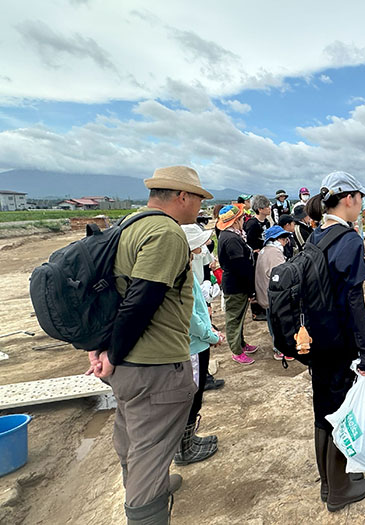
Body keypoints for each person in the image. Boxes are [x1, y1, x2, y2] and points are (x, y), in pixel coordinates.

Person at [86, 165, 211, 524]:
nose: (199, 206)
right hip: (153, 366)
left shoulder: (129, 225)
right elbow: (140, 301)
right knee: (149, 453)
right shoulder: (166, 234)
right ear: (182, 196)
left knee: (133, 442)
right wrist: (113, 353)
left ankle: (150, 485)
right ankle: (147, 506)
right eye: (198, 198)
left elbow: (111, 296)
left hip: (130, 367)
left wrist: (102, 347)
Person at [304, 171, 365, 512]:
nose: (361, 205)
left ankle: (327, 482)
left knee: (323, 409)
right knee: (341, 412)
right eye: (360, 199)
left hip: (317, 340)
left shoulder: (315, 235)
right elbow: (354, 300)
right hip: (340, 340)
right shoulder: (349, 241)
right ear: (349, 199)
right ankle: (339, 490)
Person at [175, 225, 223, 466]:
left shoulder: (185, 267)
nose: (203, 246)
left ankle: (189, 440)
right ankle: (184, 449)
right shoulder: (180, 273)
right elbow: (190, 316)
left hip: (198, 341)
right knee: (190, 396)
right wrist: (210, 335)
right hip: (193, 345)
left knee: (196, 394)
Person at [217, 204, 258, 365]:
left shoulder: (230, 235)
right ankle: (236, 350)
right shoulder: (232, 239)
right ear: (235, 221)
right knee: (234, 318)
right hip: (236, 285)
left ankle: (241, 343)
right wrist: (250, 289)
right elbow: (240, 266)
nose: (243, 221)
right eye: (241, 218)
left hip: (237, 283)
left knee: (239, 316)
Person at [254, 225, 295, 361]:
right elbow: (281, 276)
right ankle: (280, 349)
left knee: (272, 321)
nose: (285, 241)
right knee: (278, 323)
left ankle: (279, 346)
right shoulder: (274, 253)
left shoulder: (265, 251)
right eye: (283, 238)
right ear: (276, 239)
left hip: (264, 294)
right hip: (273, 297)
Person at [244, 194, 272, 321]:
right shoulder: (252, 223)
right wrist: (255, 250)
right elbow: (248, 242)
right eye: (266, 206)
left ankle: (263, 306)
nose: (269, 208)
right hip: (255, 257)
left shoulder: (266, 222)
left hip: (264, 254)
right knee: (256, 281)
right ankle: (256, 311)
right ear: (260, 209)